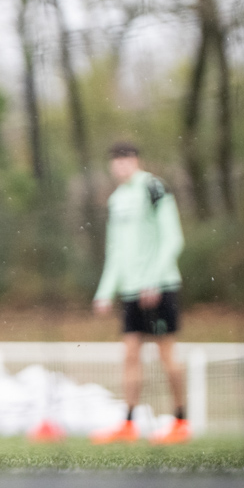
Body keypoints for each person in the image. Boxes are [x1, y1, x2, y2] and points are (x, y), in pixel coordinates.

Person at [90, 141, 189, 445]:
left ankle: (181, 421)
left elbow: (173, 239)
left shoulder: (154, 188)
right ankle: (129, 424)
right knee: (130, 354)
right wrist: (105, 291)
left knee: (165, 354)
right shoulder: (116, 200)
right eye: (116, 160)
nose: (121, 165)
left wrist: (154, 280)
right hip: (131, 290)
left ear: (137, 161)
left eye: (126, 159)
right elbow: (115, 251)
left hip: (160, 287)